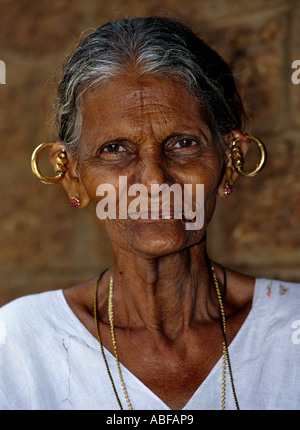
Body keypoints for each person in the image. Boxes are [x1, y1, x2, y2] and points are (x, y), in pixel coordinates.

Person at [1, 16, 299, 411]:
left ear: (230, 161)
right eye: (114, 149)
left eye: (183, 143)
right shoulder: (18, 345)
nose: (154, 181)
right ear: (72, 175)